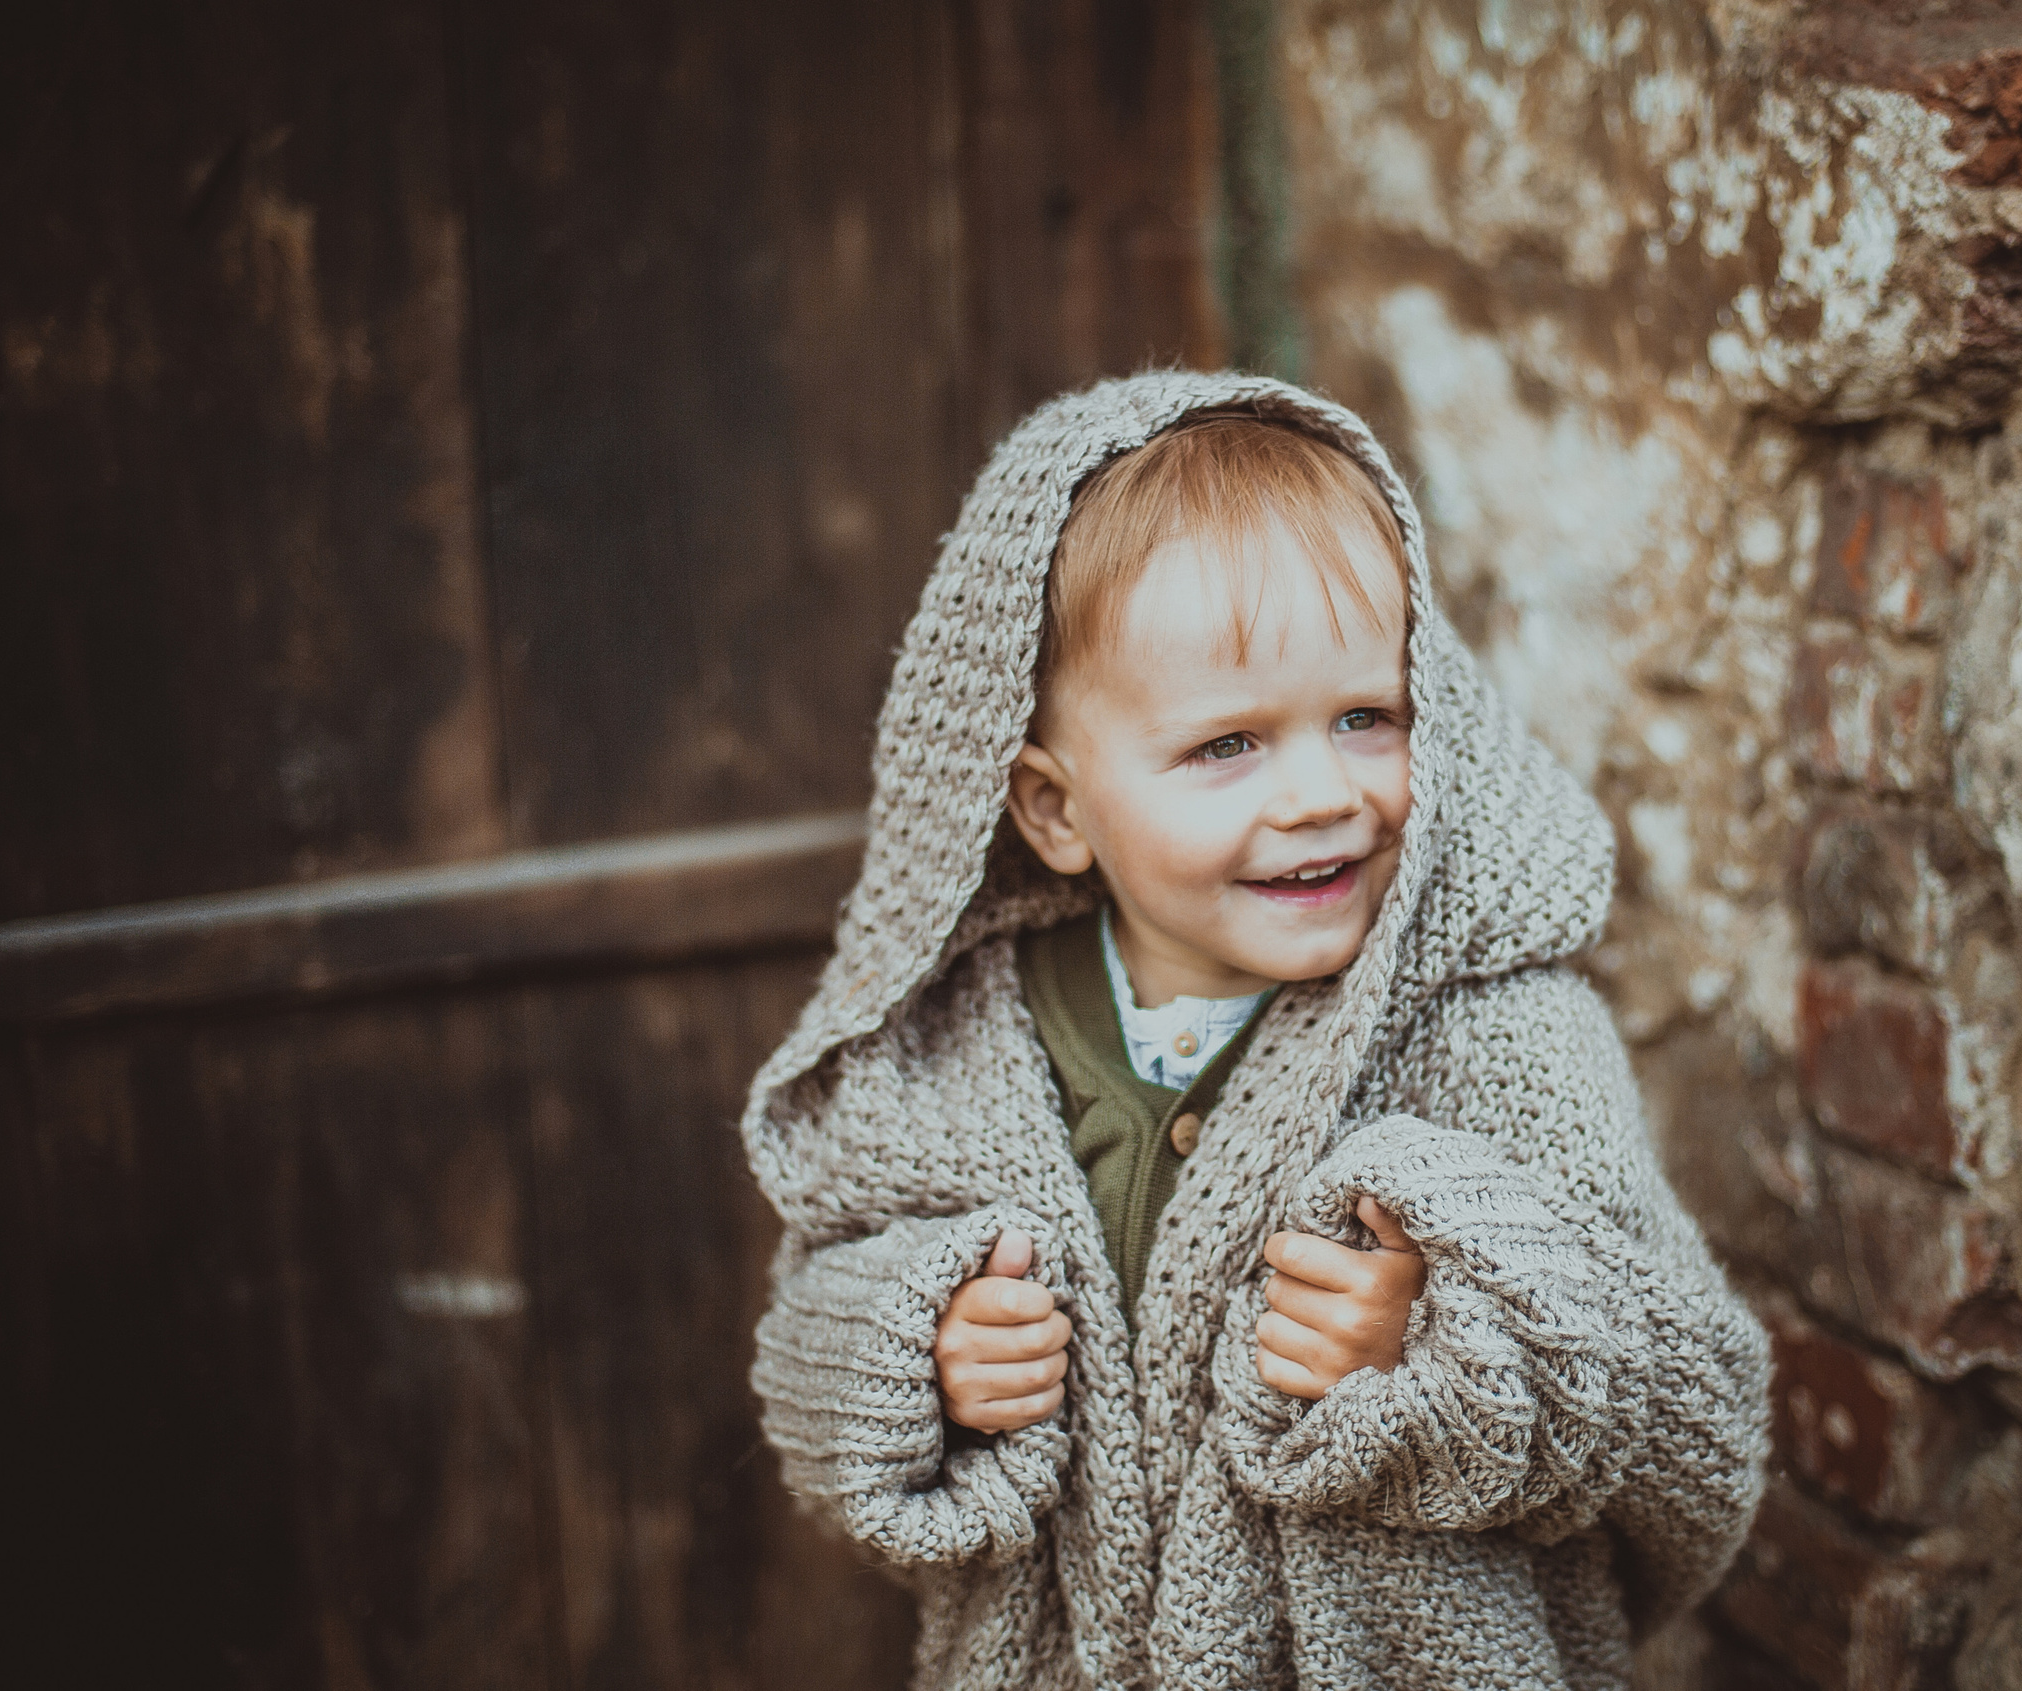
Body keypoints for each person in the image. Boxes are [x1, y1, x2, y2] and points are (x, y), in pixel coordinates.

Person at [744, 372, 1768, 1691]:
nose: (1321, 794)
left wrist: (1442, 1346)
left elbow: (1695, 1425)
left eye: (1365, 718)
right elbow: (811, 1340)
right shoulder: (947, 1059)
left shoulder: (1503, 1039)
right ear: (1056, 810)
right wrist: (919, 1360)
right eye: (1228, 745)